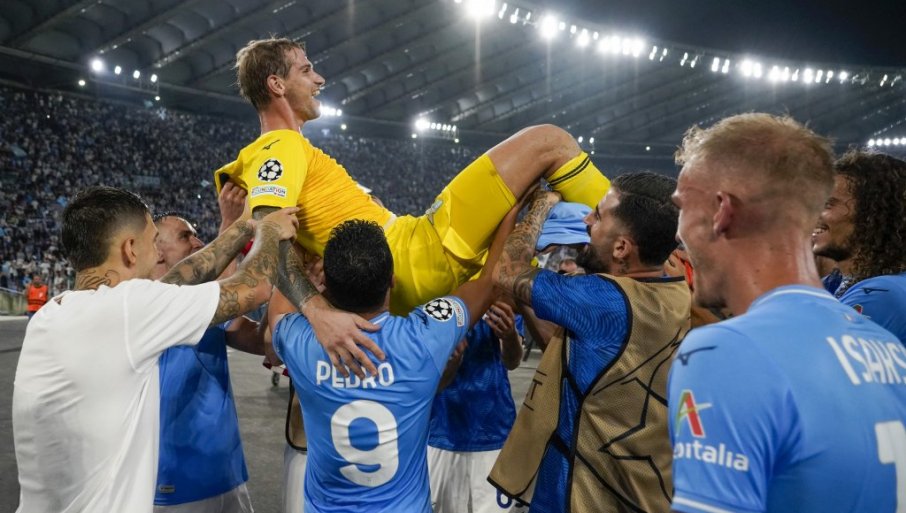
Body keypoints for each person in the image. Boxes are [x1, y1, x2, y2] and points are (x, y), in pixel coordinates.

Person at [215, 37, 611, 376]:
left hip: (406, 271)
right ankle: (629, 229)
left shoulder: (285, 155)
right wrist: (318, 312)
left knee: (525, 280)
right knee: (549, 141)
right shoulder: (279, 145)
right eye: (306, 70)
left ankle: (608, 328)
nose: (318, 79)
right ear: (276, 84)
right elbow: (270, 239)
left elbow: (278, 239)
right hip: (414, 252)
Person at [668, 113, 906, 513]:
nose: (677, 232)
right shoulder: (886, 347)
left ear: (722, 210)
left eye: (681, 206)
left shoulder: (726, 352)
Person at [12, 186, 298, 513]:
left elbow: (180, 279)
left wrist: (244, 225)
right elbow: (254, 287)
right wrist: (270, 231)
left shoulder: (51, 315)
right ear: (130, 249)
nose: (156, 251)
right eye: (152, 241)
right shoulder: (129, 310)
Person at [266, 202, 518, 512]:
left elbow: (279, 307)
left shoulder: (303, 343)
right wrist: (509, 206)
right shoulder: (422, 338)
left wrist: (284, 237)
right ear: (393, 280)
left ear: (325, 284)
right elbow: (490, 282)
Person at [490, 177, 692, 513]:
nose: (586, 220)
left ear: (622, 248)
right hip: (644, 489)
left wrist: (541, 206)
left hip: (582, 496)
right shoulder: (676, 288)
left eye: (597, 216)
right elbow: (568, 352)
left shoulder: (603, 301)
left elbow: (507, 272)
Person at [152, 183, 263, 512]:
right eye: (185, 236)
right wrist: (232, 223)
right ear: (156, 250)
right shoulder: (150, 302)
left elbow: (257, 337)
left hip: (226, 473)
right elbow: (243, 289)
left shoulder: (199, 304)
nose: (198, 242)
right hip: (178, 485)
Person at [427, 296, 525, 513]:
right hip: (442, 432)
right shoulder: (435, 299)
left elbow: (512, 361)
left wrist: (509, 335)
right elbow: (431, 382)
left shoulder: (500, 297)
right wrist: (451, 362)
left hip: (495, 432)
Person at [812, 150, 906, 341]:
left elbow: (803, 354)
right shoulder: (834, 283)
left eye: (828, 204)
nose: (813, 214)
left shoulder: (881, 294)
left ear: (870, 215)